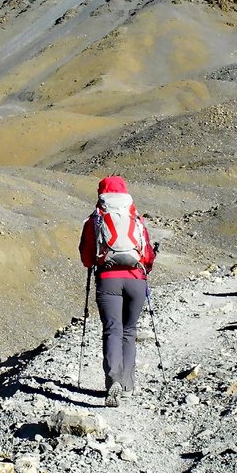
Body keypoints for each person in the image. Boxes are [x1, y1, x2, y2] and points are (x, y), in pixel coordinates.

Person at [79, 175, 155, 408]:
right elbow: (148, 255)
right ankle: (128, 386)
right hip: (136, 280)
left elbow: (86, 257)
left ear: (101, 193)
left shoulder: (95, 219)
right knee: (129, 331)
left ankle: (112, 379)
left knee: (112, 330)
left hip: (108, 280)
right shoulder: (136, 219)